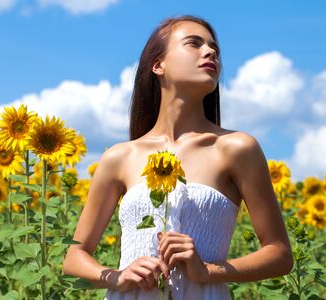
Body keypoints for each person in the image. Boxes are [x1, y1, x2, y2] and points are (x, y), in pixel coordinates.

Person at [62, 15, 293, 299]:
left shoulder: (236, 148)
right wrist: (118, 276)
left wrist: (208, 270)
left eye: (214, 49)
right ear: (158, 65)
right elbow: (74, 258)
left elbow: (280, 254)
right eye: (194, 44)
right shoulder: (119, 157)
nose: (210, 52)